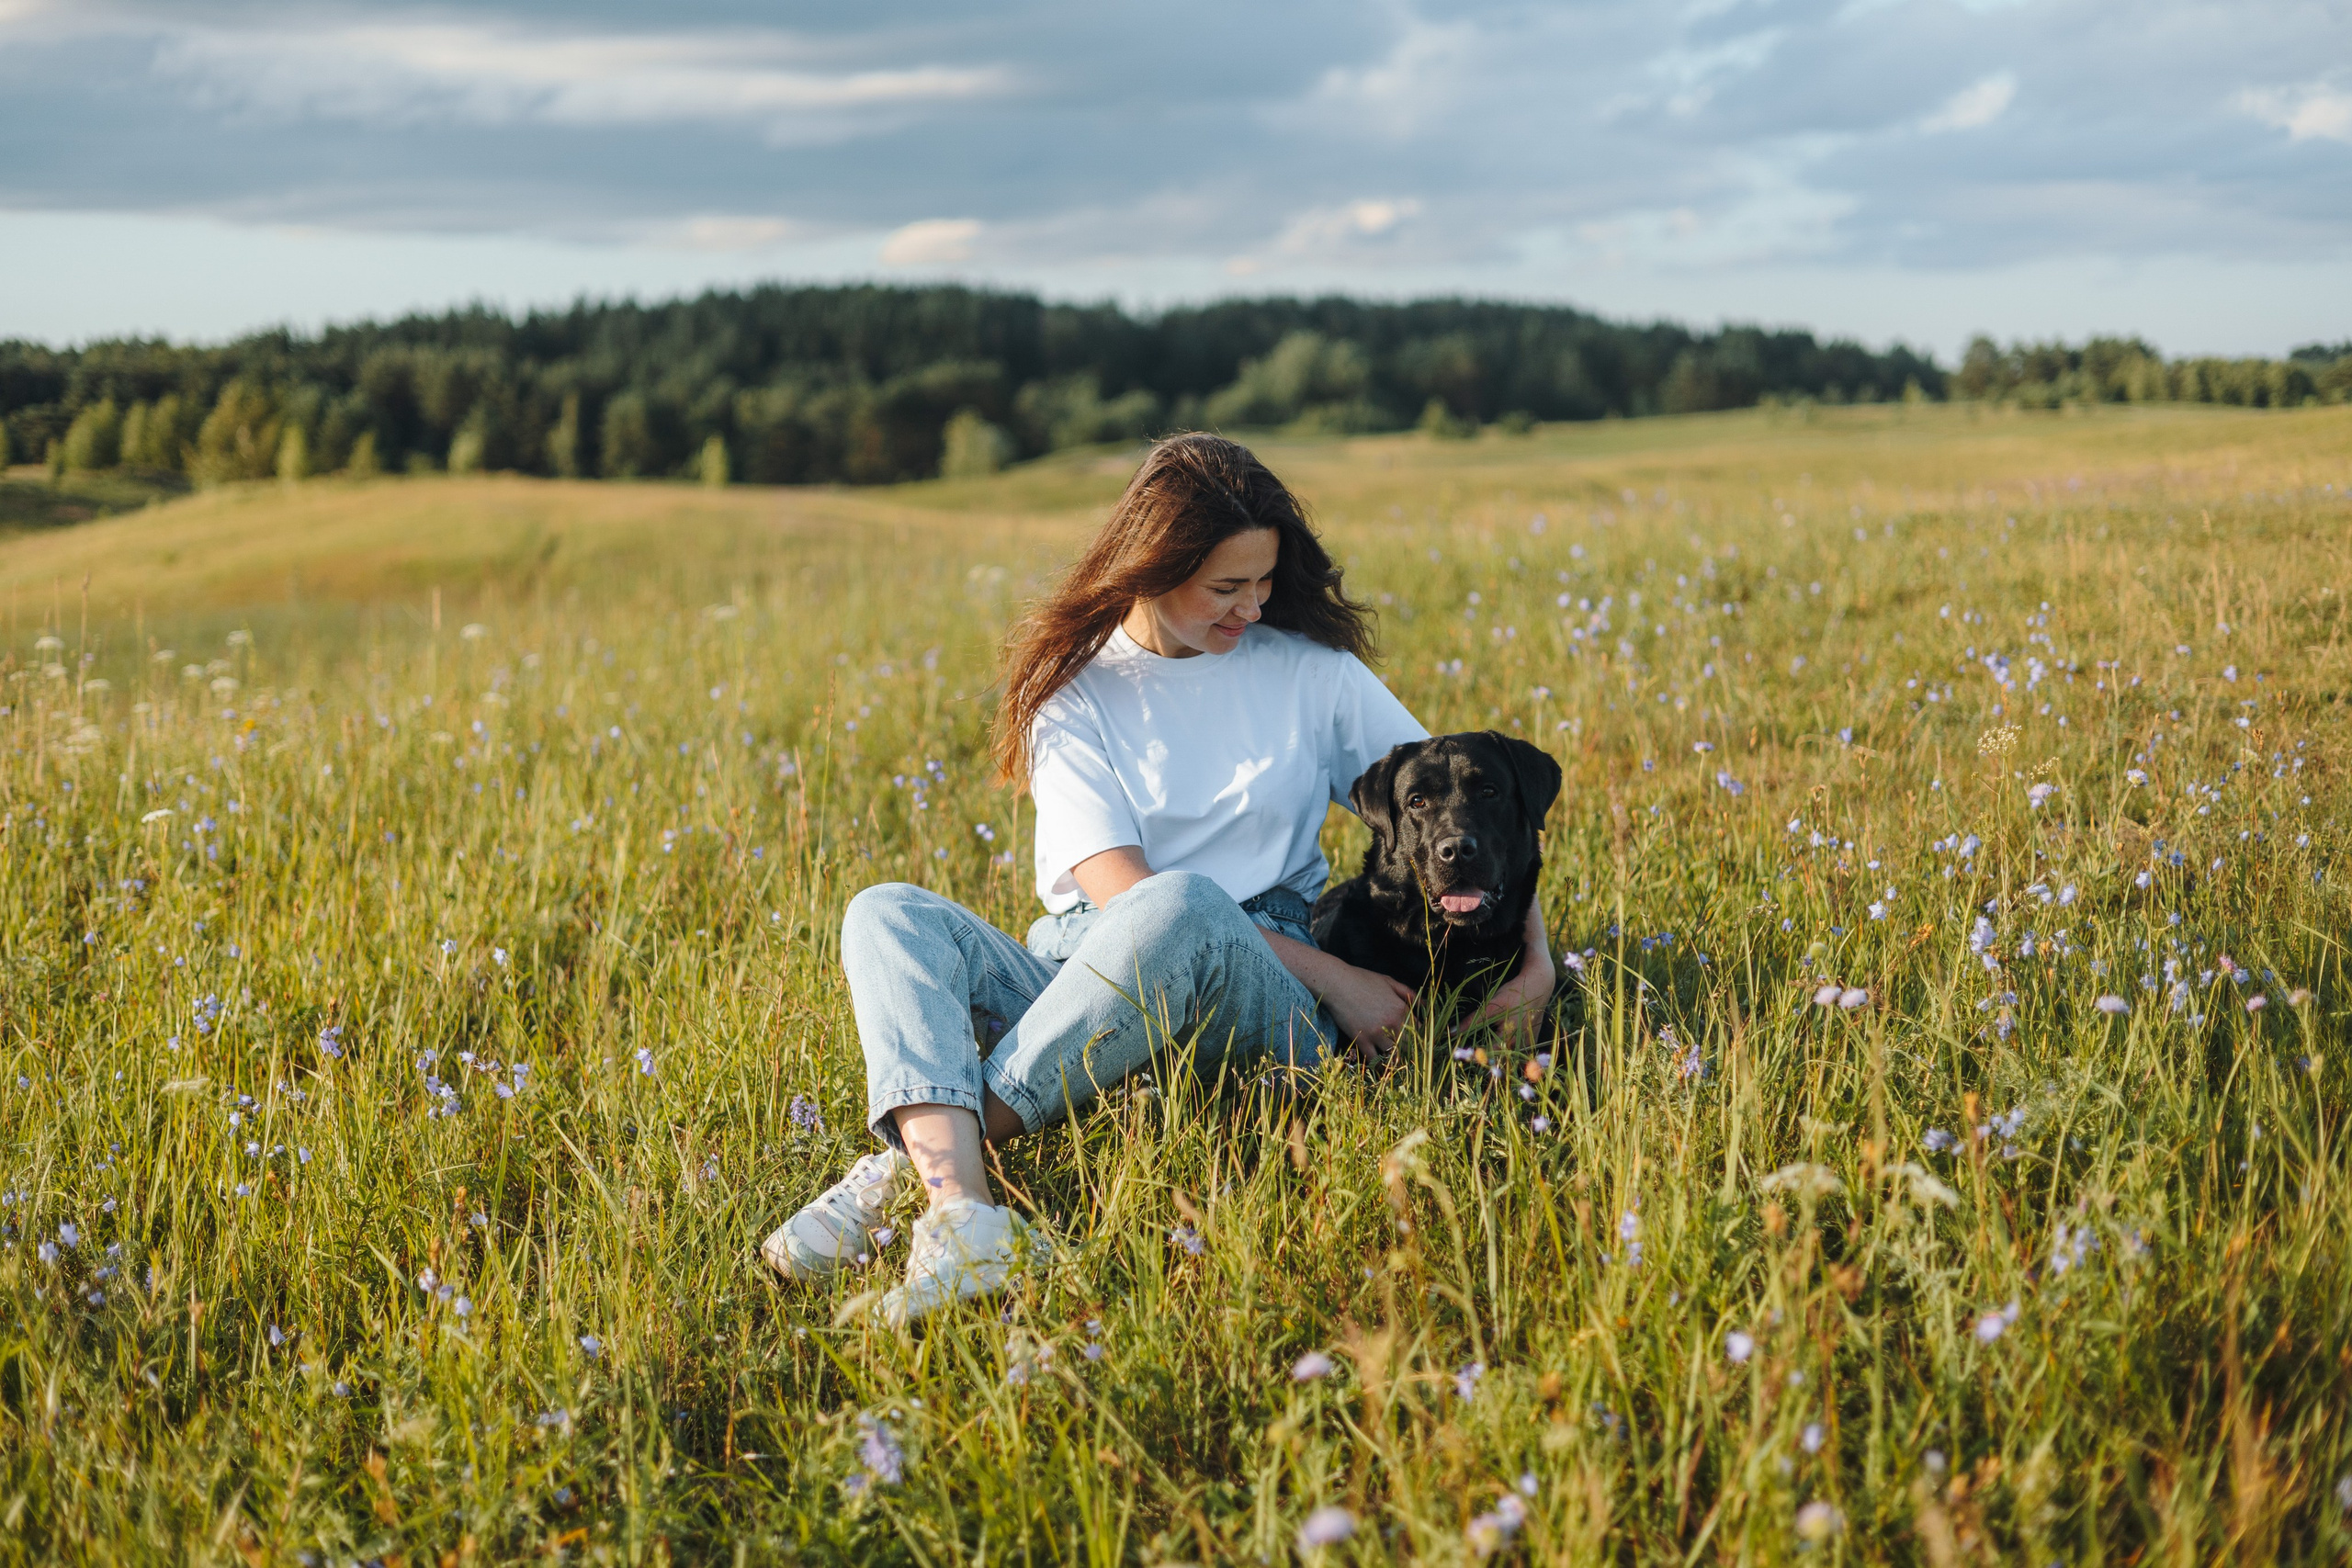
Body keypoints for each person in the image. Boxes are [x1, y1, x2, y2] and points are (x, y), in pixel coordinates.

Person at [761, 433, 1556, 1324]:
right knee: (887, 913)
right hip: (1090, 962)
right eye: (1226, 587)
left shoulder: (1314, 675)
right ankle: (959, 1215)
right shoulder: (1073, 691)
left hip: (1262, 990)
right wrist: (1343, 978)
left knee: (1187, 904)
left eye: (1263, 582)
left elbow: (1459, 815)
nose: (1252, 609)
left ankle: (919, 1154)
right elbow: (1123, 896)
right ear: (1152, 563)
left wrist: (1538, 966)